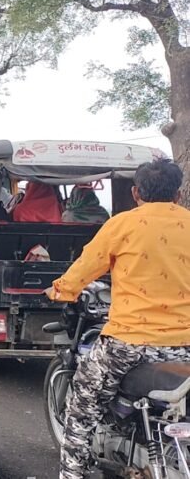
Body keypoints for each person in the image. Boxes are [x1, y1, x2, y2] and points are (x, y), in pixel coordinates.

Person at [47, 159, 190, 479]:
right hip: (185, 346)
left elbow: (84, 269)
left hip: (128, 343)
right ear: (178, 195)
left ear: (136, 192)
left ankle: (70, 474)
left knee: (81, 409)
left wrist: (59, 290)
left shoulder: (122, 225)